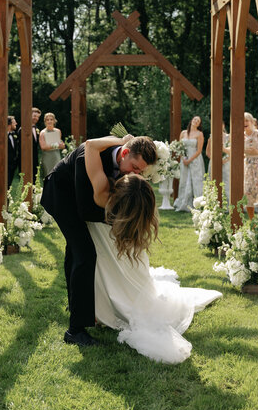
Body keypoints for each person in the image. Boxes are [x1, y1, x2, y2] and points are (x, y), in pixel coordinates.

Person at [84, 135, 222, 363]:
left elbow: (90, 145)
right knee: (129, 271)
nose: (133, 173)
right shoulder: (136, 213)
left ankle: (102, 309)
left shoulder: (102, 197)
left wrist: (121, 141)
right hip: (126, 248)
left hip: (106, 240)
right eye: (136, 171)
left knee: (109, 270)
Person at [40, 134, 157, 347]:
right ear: (123, 153)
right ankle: (75, 330)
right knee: (85, 254)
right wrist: (119, 218)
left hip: (82, 202)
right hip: (62, 197)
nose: (136, 174)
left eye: (140, 171)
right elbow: (85, 210)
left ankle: (76, 305)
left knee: (75, 252)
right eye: (134, 167)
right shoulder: (90, 155)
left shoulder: (125, 162)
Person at [174, 115, 205, 212]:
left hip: (195, 160)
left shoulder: (199, 134)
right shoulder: (183, 133)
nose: (196, 121)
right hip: (184, 160)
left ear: (199, 124)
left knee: (196, 182)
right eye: (195, 119)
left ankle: (197, 204)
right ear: (191, 120)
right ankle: (183, 203)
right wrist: (183, 158)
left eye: (198, 121)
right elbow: (180, 147)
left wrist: (190, 160)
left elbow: (199, 150)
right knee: (184, 180)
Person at [205, 122, 230, 201]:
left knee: (226, 181)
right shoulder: (211, 137)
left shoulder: (228, 137)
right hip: (213, 162)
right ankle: (213, 201)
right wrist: (215, 160)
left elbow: (231, 151)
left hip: (226, 162)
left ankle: (227, 202)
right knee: (213, 181)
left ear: (223, 126)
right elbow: (208, 152)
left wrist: (225, 160)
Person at [18, 107, 41, 182]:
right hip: (25, 158)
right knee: (25, 180)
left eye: (38, 117)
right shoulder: (22, 129)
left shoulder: (37, 129)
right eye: (34, 116)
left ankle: (33, 193)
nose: (36, 118)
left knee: (34, 178)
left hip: (34, 158)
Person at [39, 112, 64, 178]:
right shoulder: (42, 133)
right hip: (47, 157)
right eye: (47, 120)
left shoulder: (58, 131)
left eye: (51, 119)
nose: (49, 121)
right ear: (45, 121)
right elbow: (43, 147)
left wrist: (61, 145)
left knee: (57, 175)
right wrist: (56, 145)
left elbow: (62, 145)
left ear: (54, 121)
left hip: (56, 156)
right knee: (48, 176)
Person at [7, 116, 18, 189]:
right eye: (14, 123)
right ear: (9, 124)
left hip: (13, 165)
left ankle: (7, 200)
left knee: (9, 184)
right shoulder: (1, 135)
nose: (16, 123)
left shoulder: (14, 134)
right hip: (5, 165)